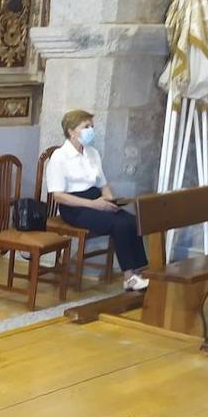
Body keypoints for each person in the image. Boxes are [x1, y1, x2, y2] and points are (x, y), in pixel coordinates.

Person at [45, 109, 151, 291]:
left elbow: (103, 184)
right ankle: (129, 276)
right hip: (74, 206)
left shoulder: (92, 153)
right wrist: (94, 205)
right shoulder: (59, 157)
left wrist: (110, 199)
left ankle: (139, 270)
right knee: (119, 225)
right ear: (71, 131)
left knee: (132, 221)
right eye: (86, 127)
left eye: (92, 126)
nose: (91, 130)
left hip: (96, 198)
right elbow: (58, 195)